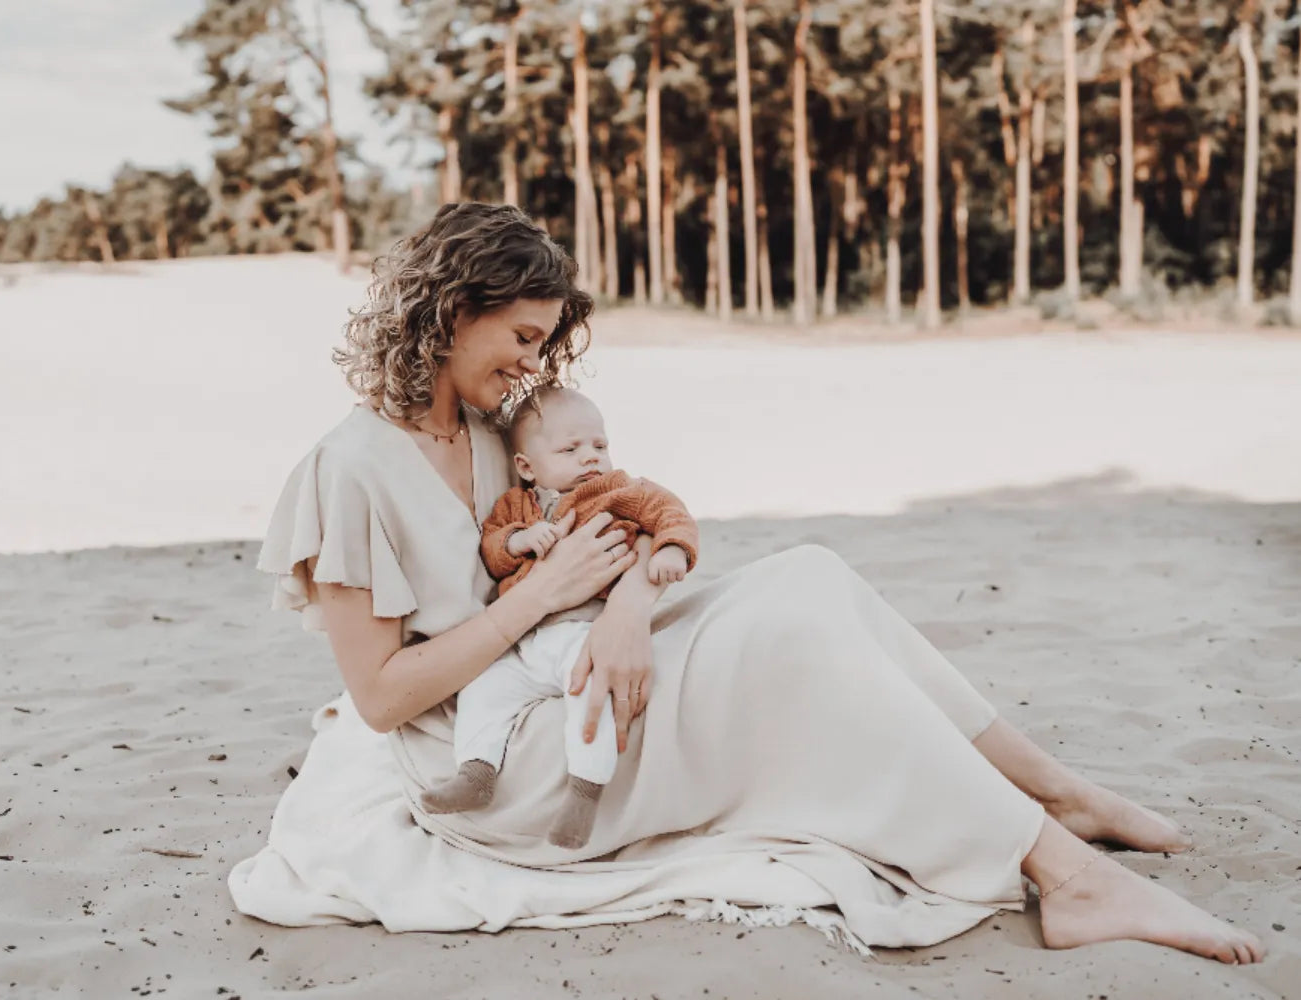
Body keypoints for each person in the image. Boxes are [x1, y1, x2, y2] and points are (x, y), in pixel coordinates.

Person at [236, 202, 1264, 964]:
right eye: (517, 339)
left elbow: (605, 524)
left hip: (576, 659)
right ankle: (1068, 875)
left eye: (543, 346)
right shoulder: (347, 471)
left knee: (810, 574)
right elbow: (380, 699)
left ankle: (1049, 790)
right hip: (506, 759)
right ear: (450, 311)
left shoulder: (489, 431)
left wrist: (631, 601)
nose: (530, 367)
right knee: (788, 644)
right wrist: (540, 605)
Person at [420, 386, 699, 851]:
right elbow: (492, 547)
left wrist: (671, 546)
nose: (590, 457)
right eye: (571, 449)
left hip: (583, 633)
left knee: (591, 693)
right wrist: (519, 541)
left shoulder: (616, 490)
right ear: (527, 466)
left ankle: (584, 792)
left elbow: (668, 510)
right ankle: (476, 771)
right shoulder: (516, 507)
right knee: (483, 689)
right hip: (525, 644)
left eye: (600, 445)